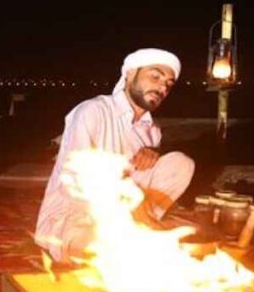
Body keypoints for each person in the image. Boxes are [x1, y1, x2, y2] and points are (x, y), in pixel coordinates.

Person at [35, 48, 195, 262]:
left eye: (168, 83)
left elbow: (143, 180)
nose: (162, 87)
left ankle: (141, 233)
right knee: (106, 248)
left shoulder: (152, 130)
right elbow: (74, 179)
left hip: (128, 218)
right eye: (155, 76)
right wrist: (125, 210)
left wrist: (155, 152)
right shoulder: (92, 111)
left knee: (181, 163)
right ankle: (137, 239)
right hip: (75, 218)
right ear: (129, 74)